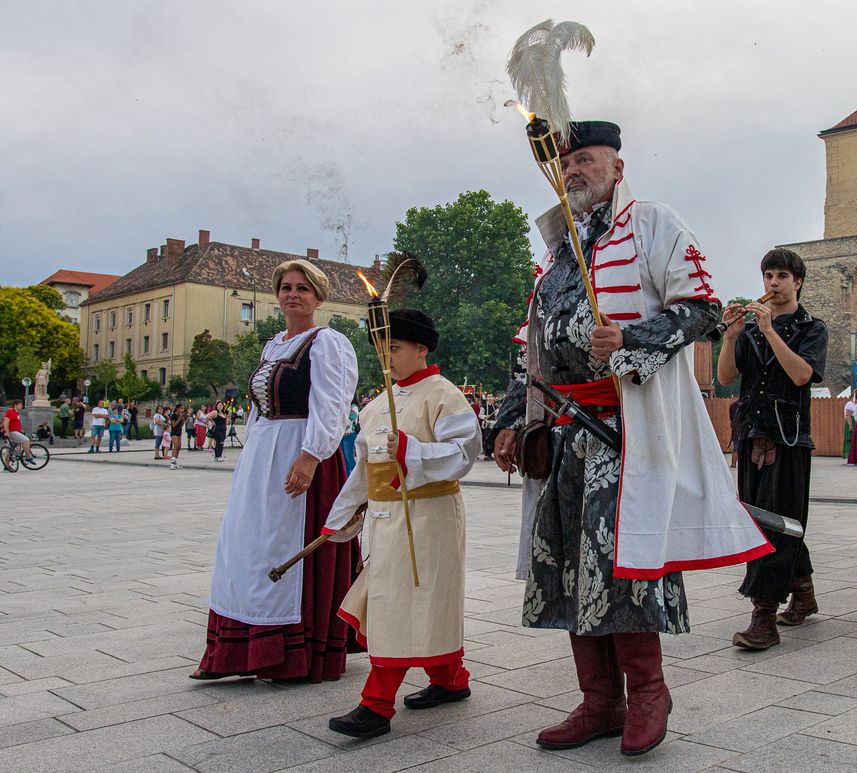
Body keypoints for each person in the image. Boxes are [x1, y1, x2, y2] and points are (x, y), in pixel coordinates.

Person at [492, 121, 770, 756]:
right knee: (568, 566)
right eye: (568, 163)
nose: (575, 172)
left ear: (617, 169)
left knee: (624, 565)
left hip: (625, 432)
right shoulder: (558, 252)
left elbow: (701, 308)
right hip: (562, 434)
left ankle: (648, 691)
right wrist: (512, 418)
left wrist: (631, 339)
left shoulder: (653, 223)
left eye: (586, 160)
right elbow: (530, 346)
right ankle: (598, 701)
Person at [195, 259, 359, 682]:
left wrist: (311, 456)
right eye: (286, 287)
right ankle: (238, 648)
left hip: (301, 451)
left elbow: (332, 405)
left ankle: (292, 652)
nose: (293, 294)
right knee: (247, 546)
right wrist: (252, 454)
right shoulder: (271, 346)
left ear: (318, 297)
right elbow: (256, 411)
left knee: (282, 547)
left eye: (303, 288)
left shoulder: (327, 342)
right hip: (263, 455)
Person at [325, 310, 482, 738]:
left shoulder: (445, 396)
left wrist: (411, 449)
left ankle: (376, 706)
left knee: (400, 606)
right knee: (418, 603)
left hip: (429, 519)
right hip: (386, 519)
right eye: (383, 348)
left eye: (393, 348)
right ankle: (450, 679)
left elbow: (464, 454)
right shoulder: (377, 406)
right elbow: (363, 471)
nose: (386, 356)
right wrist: (338, 519)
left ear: (420, 349)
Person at [716, 248, 827, 649]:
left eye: (782, 276)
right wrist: (731, 337)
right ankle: (804, 590)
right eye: (768, 276)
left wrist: (769, 331)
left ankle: (763, 614)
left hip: (788, 438)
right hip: (750, 435)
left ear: (797, 282)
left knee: (780, 524)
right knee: (762, 521)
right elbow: (727, 377)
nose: (773, 283)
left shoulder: (812, 328)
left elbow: (802, 375)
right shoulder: (749, 330)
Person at [168, 404, 184, 468]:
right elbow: (173, 425)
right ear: (177, 409)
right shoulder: (173, 415)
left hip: (179, 432)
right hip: (174, 432)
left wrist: (183, 419)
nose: (182, 410)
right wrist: (179, 419)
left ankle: (175, 462)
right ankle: (172, 463)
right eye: (181, 408)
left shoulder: (180, 415)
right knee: (176, 446)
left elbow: (181, 424)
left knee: (179, 447)